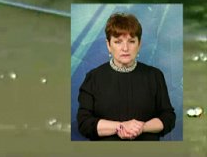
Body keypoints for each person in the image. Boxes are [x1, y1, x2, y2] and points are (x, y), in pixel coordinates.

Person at [76, 13, 177, 141]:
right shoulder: (93, 78)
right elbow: (84, 123)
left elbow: (168, 117)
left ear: (139, 44)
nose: (125, 48)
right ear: (108, 45)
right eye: (118, 42)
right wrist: (121, 126)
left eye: (131, 41)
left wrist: (142, 127)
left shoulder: (155, 76)